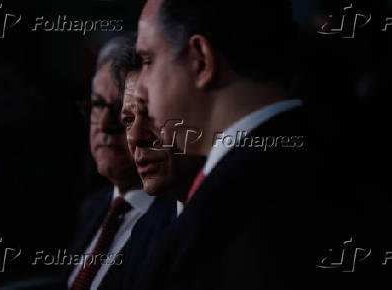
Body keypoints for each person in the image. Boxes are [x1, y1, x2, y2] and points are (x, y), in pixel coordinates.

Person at [133, 1, 378, 289]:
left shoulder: (250, 208)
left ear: (201, 60)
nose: (139, 89)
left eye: (148, 60)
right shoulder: (326, 164)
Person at [111, 36, 206, 290]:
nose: (134, 137)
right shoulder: (144, 233)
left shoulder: (239, 219)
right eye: (128, 119)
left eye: (151, 113)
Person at [66, 34, 154, 290]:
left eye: (121, 110)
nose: (104, 124)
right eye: (97, 104)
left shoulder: (175, 217)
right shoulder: (92, 207)